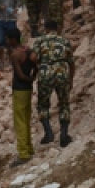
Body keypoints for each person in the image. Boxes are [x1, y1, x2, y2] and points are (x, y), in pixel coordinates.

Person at [33, 18, 75, 148]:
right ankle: (63, 135)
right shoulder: (64, 41)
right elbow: (71, 63)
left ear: (45, 29)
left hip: (45, 74)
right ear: (57, 29)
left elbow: (34, 57)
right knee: (64, 104)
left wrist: (39, 66)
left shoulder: (39, 41)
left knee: (43, 104)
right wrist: (71, 79)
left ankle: (49, 133)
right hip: (62, 73)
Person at [9, 29, 36, 167]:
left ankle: (23, 154)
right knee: (26, 119)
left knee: (19, 122)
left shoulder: (15, 55)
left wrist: (27, 79)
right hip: (28, 89)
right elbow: (36, 63)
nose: (7, 41)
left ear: (12, 40)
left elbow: (19, 75)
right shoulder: (29, 51)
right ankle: (29, 148)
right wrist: (33, 78)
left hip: (19, 89)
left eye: (8, 39)